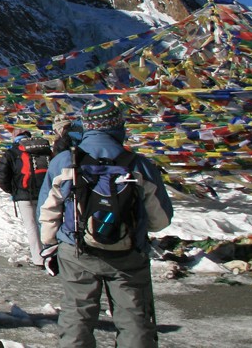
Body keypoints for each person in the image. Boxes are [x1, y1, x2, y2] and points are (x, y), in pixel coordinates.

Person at [38, 100, 172, 348]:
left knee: (77, 314)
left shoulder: (64, 161)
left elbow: (48, 209)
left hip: (76, 249)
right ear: (118, 126)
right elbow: (160, 219)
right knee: (134, 317)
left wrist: (48, 244)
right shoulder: (139, 164)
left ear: (87, 127)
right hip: (129, 253)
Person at [0, 132, 51, 265]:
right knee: (47, 223)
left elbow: (2, 176)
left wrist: (13, 191)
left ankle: (39, 259)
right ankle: (52, 254)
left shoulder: (11, 153)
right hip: (45, 193)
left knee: (32, 227)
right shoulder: (44, 150)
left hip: (24, 195)